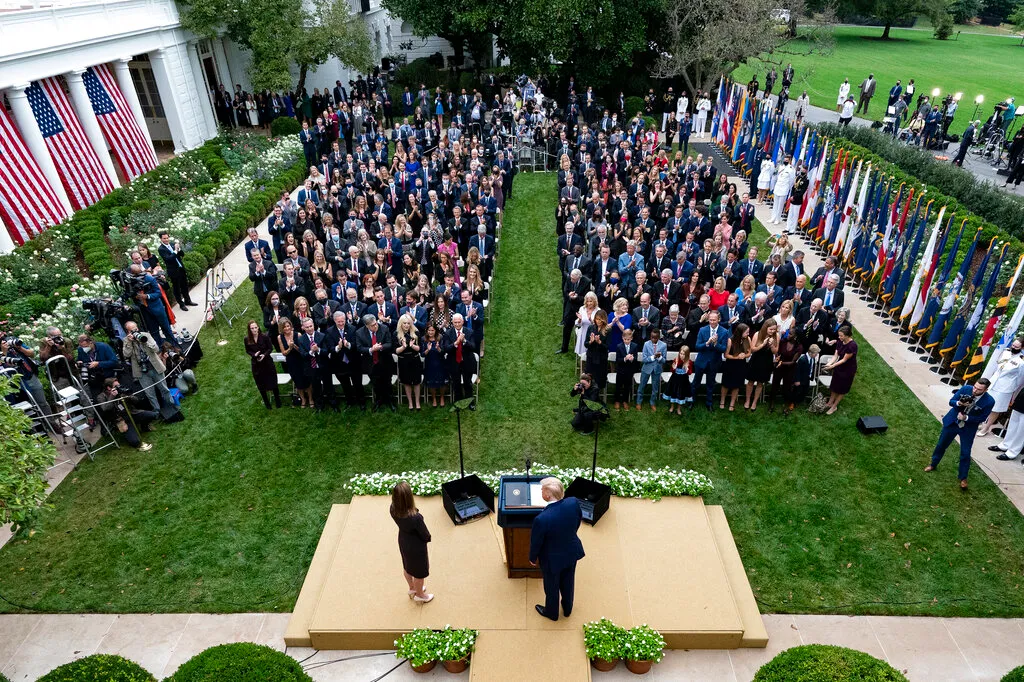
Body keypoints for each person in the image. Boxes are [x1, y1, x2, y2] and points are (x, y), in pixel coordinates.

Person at [529, 477, 585, 621]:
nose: (541, 492)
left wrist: (532, 557)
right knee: (568, 582)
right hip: (571, 552)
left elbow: (536, 542)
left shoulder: (541, 519)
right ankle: (567, 608)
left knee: (551, 587)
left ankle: (552, 613)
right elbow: (577, 521)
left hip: (551, 559)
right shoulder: (573, 503)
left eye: (542, 490)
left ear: (548, 495)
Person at [925, 379, 995, 490]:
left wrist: (966, 418)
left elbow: (982, 418)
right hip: (952, 422)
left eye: (979, 389)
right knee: (941, 445)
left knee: (965, 453)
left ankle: (963, 477)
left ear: (985, 390)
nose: (975, 390)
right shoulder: (966, 389)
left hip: (968, 428)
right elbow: (951, 401)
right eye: (975, 387)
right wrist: (959, 403)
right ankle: (933, 464)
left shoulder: (989, 401)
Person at [390, 481, 433, 603]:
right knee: (419, 573)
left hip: (403, 541)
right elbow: (425, 534)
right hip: (416, 546)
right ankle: (420, 595)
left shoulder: (393, 509)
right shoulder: (416, 518)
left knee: (407, 566)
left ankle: (412, 588)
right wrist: (428, 538)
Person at [978, 338, 1024, 436]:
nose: (1013, 347)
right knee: (986, 403)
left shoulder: (1021, 361)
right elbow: (997, 366)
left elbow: (1020, 379)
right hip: (993, 382)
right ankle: (982, 422)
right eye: (1013, 345)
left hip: (1005, 388)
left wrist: (1012, 387)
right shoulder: (1006, 352)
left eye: (1016, 347)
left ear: (1022, 348)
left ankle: (986, 428)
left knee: (996, 408)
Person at [122, 321, 172, 412]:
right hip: (141, 371)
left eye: (136, 329)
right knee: (150, 394)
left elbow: (156, 349)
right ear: (128, 332)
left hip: (155, 367)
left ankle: (172, 407)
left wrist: (145, 342)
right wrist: (129, 342)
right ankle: (157, 411)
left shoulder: (146, 335)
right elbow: (126, 354)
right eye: (132, 331)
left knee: (164, 389)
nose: (135, 332)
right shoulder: (126, 340)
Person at [691, 310, 730, 410]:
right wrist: (707, 343)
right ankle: (692, 400)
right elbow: (697, 346)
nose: (712, 322)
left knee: (710, 384)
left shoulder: (724, 332)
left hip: (714, 362)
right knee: (696, 383)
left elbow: (723, 349)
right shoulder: (702, 330)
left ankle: (709, 403)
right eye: (710, 320)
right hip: (701, 361)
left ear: (719, 320)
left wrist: (716, 344)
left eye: (714, 320)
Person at [245, 320, 281, 409]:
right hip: (256, 364)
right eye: (252, 328)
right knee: (260, 383)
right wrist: (254, 355)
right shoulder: (247, 339)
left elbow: (270, 348)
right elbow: (248, 350)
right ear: (249, 329)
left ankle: (277, 400)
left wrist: (264, 355)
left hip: (267, 362)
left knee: (273, 381)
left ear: (258, 327)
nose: (254, 330)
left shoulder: (265, 337)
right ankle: (266, 402)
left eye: (255, 327)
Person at [157, 232, 197, 310]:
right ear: (161, 239)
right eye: (164, 238)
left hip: (181, 268)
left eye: (167, 238)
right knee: (177, 289)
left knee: (185, 286)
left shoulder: (172, 244)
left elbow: (182, 254)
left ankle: (187, 300)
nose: (166, 240)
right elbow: (169, 259)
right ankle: (181, 304)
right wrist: (175, 250)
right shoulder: (161, 249)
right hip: (173, 271)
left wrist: (179, 249)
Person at [822, 325, 857, 415]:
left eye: (841, 335)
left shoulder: (852, 346)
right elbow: (836, 356)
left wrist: (833, 366)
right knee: (834, 386)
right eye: (839, 335)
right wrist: (829, 364)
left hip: (848, 370)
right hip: (839, 367)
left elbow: (844, 360)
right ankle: (830, 403)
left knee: (842, 389)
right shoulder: (840, 342)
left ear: (847, 336)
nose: (839, 337)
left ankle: (834, 406)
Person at [395, 313, 423, 410]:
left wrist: (412, 346)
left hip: (415, 359)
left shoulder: (416, 333)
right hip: (403, 360)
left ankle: (417, 402)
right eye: (404, 323)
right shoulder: (396, 334)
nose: (406, 325)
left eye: (408, 323)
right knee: (406, 382)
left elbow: (419, 349)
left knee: (416, 382)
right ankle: (410, 402)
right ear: (401, 324)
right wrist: (403, 347)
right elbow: (396, 351)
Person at [720, 323, 750, 410]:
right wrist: (737, 357)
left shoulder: (747, 339)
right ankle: (722, 400)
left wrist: (744, 355)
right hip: (730, 365)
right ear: (740, 332)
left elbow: (749, 353)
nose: (748, 334)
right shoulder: (730, 340)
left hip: (741, 365)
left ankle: (732, 403)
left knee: (737, 385)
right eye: (746, 332)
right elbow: (726, 355)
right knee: (726, 384)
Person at [636, 328, 667, 411]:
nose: (653, 339)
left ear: (659, 337)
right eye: (652, 337)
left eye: (655, 338)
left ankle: (652, 402)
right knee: (642, 385)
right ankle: (639, 402)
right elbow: (644, 359)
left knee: (655, 387)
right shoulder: (646, 344)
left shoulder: (663, 345)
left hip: (657, 369)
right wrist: (653, 357)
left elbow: (664, 360)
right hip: (646, 368)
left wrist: (659, 357)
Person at [990, 388, 1024, 461]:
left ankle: (1012, 452)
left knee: (1021, 431)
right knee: (1012, 425)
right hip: (1022, 399)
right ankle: (1005, 445)